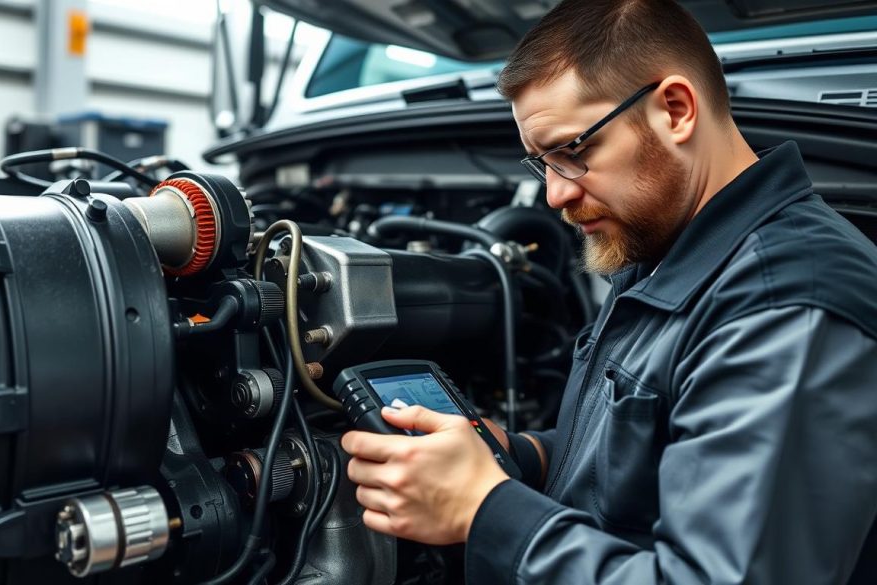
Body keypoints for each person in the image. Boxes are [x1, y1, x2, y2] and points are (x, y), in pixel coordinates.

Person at [339, 0, 877, 583]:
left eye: (572, 152)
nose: (553, 197)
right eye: (540, 162)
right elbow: (647, 453)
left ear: (675, 109)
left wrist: (484, 509)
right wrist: (521, 456)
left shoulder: (786, 308)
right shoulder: (669, 248)